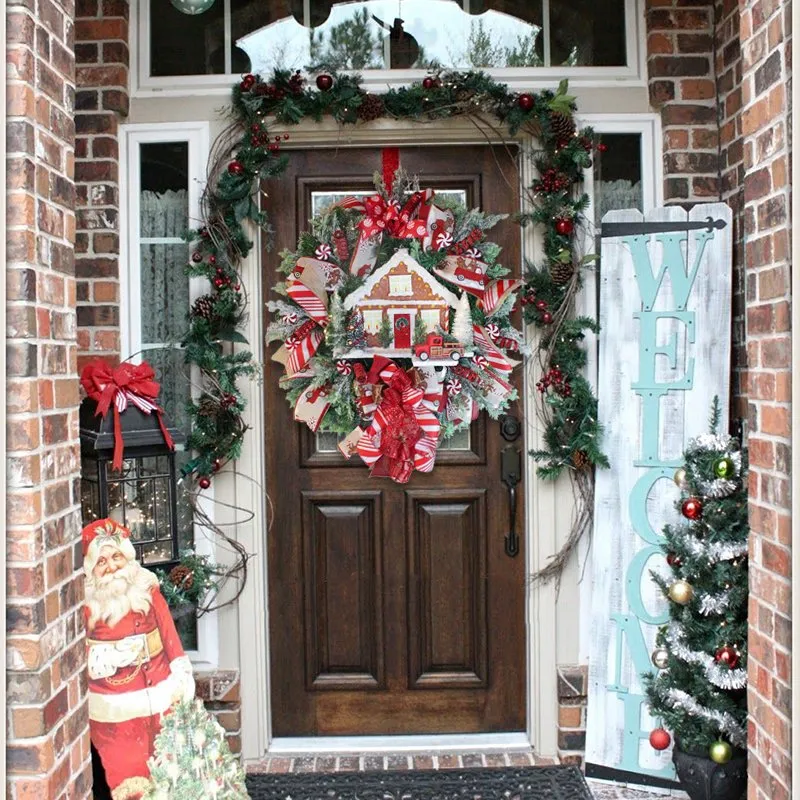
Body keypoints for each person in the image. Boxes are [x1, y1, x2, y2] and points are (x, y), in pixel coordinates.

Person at [83, 518, 195, 800]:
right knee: (125, 774)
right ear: (92, 568)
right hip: (113, 705)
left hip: (160, 693)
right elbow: (80, 651)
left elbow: (168, 632)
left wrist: (180, 669)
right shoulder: (88, 605)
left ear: (127, 556)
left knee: (167, 766)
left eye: (116, 557)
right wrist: (107, 656)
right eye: (102, 561)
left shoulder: (147, 587)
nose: (111, 566)